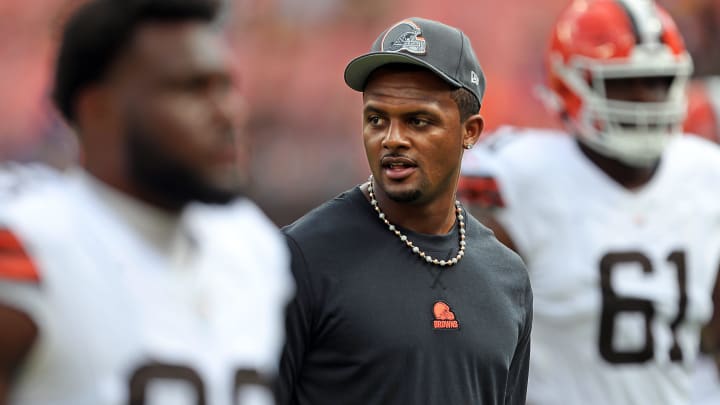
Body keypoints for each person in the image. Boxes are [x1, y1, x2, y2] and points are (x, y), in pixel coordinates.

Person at [0, 0, 292, 404]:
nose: (227, 113)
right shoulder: (34, 242)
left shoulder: (251, 245)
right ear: (98, 109)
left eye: (226, 87)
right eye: (191, 89)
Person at [458, 1, 720, 404]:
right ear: (569, 83)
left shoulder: (705, 173)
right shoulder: (519, 177)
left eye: (657, 81)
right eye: (620, 83)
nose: (643, 98)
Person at [277, 17, 532, 405]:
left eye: (418, 121)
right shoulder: (303, 256)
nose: (392, 139)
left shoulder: (507, 276)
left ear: (470, 131)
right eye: (377, 119)